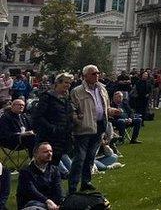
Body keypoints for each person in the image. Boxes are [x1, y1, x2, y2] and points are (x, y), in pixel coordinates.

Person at [68, 64, 120, 195]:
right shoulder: (77, 91)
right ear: (85, 76)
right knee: (79, 158)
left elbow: (105, 107)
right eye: (93, 73)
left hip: (100, 126)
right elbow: (71, 110)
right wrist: (78, 119)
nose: (97, 75)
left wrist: (112, 111)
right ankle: (73, 187)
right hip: (84, 128)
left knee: (90, 157)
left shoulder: (102, 89)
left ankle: (86, 182)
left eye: (98, 73)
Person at [31, 73, 74, 168]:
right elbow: (38, 116)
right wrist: (52, 128)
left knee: (54, 165)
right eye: (66, 82)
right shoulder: (47, 97)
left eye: (69, 83)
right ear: (58, 83)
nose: (68, 85)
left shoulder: (66, 100)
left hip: (62, 137)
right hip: (48, 137)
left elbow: (68, 116)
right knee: (46, 164)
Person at [0, 97, 36, 207]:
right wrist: (20, 135)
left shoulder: (25, 117)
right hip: (10, 141)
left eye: (23, 105)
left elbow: (32, 128)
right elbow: (4, 134)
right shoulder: (5, 118)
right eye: (18, 105)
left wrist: (31, 132)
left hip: (25, 141)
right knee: (33, 140)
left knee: (38, 138)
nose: (21, 107)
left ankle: (38, 160)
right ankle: (35, 163)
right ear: (12, 106)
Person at [17, 142, 63, 210]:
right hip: (31, 203)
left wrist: (59, 204)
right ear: (35, 154)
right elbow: (32, 191)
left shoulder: (54, 170)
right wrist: (47, 201)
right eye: (45, 152)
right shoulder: (25, 172)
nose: (49, 154)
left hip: (51, 204)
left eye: (51, 151)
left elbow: (57, 190)